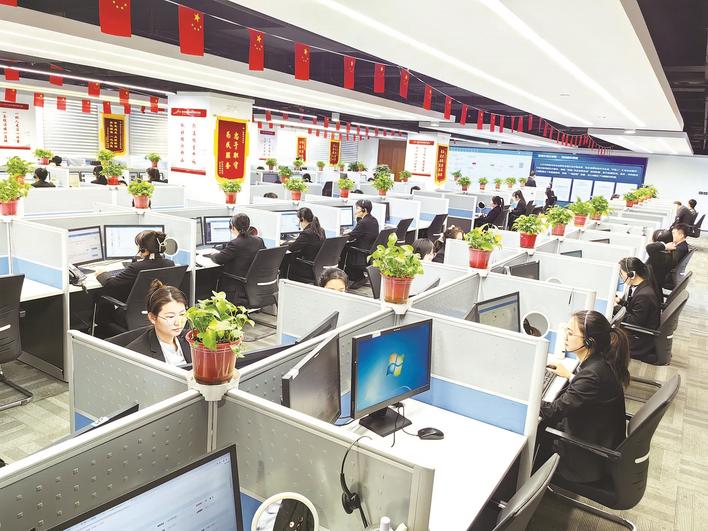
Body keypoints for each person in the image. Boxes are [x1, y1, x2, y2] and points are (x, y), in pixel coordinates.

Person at [539, 310, 630, 484]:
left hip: (585, 461)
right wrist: (571, 376)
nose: (565, 336)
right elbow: (591, 391)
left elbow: (553, 411)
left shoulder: (592, 375)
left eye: (570, 333)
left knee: (539, 427)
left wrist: (526, 399)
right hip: (597, 440)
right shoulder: (601, 363)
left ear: (589, 342)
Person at [96, 230, 175, 303]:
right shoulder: (170, 264)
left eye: (138, 245)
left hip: (133, 311)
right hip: (158, 308)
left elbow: (110, 285)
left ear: (143, 250)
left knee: (99, 293)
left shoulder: (137, 267)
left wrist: (101, 273)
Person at [126, 280, 191, 367]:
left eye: (182, 314)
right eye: (170, 317)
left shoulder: (192, 338)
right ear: (152, 318)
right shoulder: (137, 354)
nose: (178, 322)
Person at [209, 213, 266, 305]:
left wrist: (212, 255)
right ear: (248, 226)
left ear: (233, 227)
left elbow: (219, 259)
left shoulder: (235, 244)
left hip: (236, 287)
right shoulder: (259, 241)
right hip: (253, 286)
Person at [614, 257, 661, 362]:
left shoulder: (644, 296)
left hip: (639, 340)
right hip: (641, 333)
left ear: (632, 275)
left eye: (621, 273)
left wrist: (616, 308)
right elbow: (635, 308)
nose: (621, 276)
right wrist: (620, 302)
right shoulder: (644, 286)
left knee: (606, 337)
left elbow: (633, 322)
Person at [341, 199, 379, 286]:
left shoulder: (363, 222)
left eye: (357, 208)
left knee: (345, 247)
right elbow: (360, 232)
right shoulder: (373, 220)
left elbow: (351, 237)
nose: (356, 211)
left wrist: (343, 234)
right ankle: (357, 276)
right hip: (369, 251)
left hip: (361, 253)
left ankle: (351, 276)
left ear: (364, 210)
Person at [282, 207, 326, 281]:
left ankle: (282, 280)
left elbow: (291, 248)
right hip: (316, 266)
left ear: (302, 219)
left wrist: (284, 243)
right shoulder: (321, 230)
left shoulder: (306, 233)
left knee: (285, 258)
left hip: (306, 268)